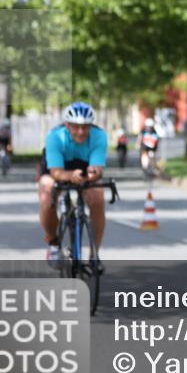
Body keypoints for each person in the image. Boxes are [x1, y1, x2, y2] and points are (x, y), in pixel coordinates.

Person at [36, 102, 108, 271]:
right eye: (75, 127)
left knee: (97, 194)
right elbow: (56, 173)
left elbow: (98, 168)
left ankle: (94, 255)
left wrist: (93, 173)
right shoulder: (55, 136)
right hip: (57, 169)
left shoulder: (99, 136)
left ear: (91, 125)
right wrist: (70, 176)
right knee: (47, 192)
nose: (81, 132)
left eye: (85, 127)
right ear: (67, 125)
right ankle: (53, 243)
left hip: (84, 167)